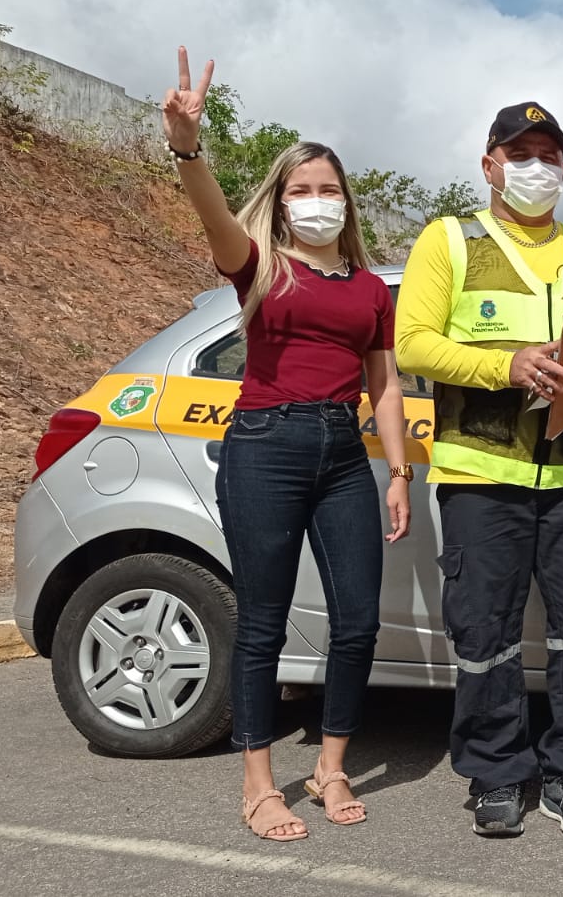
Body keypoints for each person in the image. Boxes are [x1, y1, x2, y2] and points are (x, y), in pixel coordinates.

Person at [162, 47, 412, 842]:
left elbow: (387, 385)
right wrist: (188, 148)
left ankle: (331, 765)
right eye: (301, 190)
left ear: (347, 202)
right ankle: (259, 783)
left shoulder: (372, 288)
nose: (315, 201)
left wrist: (399, 472)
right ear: (280, 201)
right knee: (264, 621)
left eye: (328, 189)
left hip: (344, 455)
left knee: (357, 622)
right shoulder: (259, 264)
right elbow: (212, 216)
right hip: (264, 447)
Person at [394, 101, 563, 838]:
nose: (537, 166)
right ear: (490, 164)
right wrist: (506, 364)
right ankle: (496, 775)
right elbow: (412, 344)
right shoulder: (451, 240)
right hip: (480, 473)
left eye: (549, 154)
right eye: (521, 152)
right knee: (485, 634)